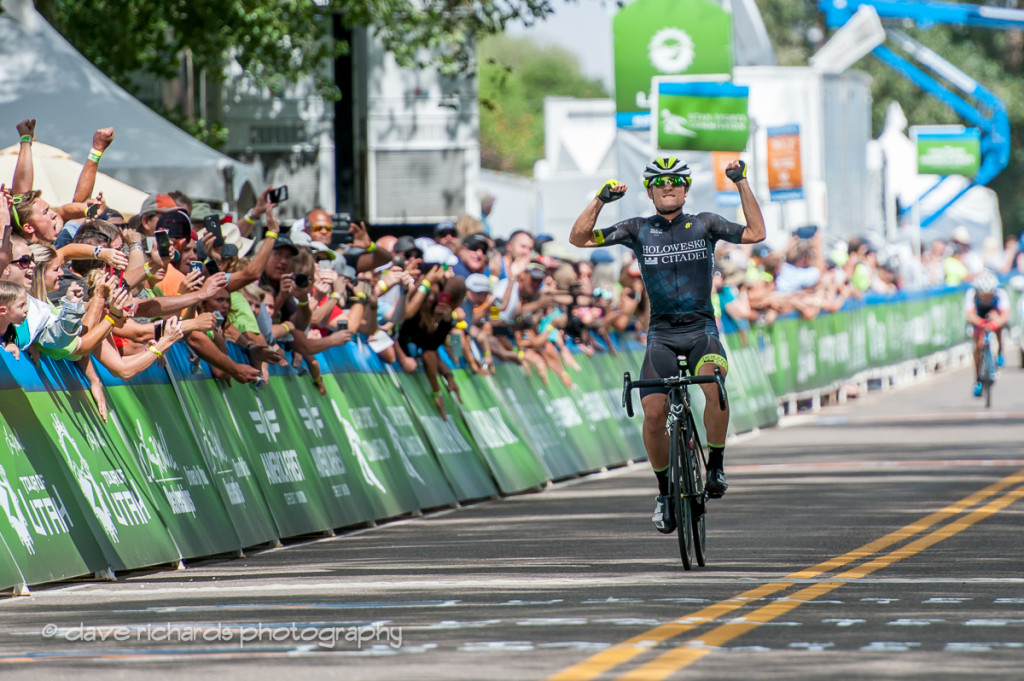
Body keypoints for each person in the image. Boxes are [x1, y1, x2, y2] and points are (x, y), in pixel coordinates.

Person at [569, 156, 766, 534]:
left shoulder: (705, 224)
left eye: (676, 180)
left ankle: (718, 467)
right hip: (660, 335)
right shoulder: (637, 228)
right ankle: (663, 493)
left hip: (700, 330)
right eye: (660, 182)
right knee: (655, 414)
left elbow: (756, 232)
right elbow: (578, 239)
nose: (668, 186)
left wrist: (741, 182)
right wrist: (600, 199)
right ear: (649, 190)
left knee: (712, 382)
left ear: (686, 188)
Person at [964, 269, 1009, 396]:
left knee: (997, 322)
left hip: (993, 313)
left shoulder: (1000, 293)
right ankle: (978, 377)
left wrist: (995, 323)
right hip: (979, 315)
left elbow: (1005, 315)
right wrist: (981, 323)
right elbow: (970, 315)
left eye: (989, 294)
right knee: (978, 344)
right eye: (984, 295)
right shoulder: (971, 294)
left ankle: (1000, 351)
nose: (986, 297)